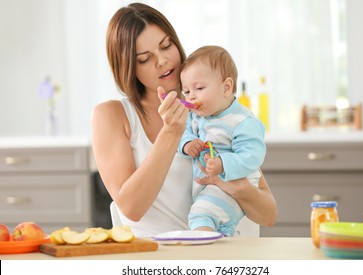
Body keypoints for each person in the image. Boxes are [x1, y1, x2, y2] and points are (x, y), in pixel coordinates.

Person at [91, 2, 277, 237]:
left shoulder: (209, 106)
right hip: (157, 260)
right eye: (144, 59)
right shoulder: (112, 115)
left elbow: (268, 214)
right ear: (128, 67)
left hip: (221, 257)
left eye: (166, 46)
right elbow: (131, 208)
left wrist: (232, 185)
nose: (162, 61)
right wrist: (171, 132)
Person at [178, 45, 266, 236]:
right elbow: (182, 133)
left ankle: (207, 254)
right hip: (207, 188)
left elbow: (252, 156)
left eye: (199, 88)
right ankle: (222, 239)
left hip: (232, 186)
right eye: (185, 91)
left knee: (200, 217)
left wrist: (223, 164)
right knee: (215, 223)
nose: (191, 96)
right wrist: (187, 144)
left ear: (226, 87)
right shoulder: (196, 117)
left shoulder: (242, 121)